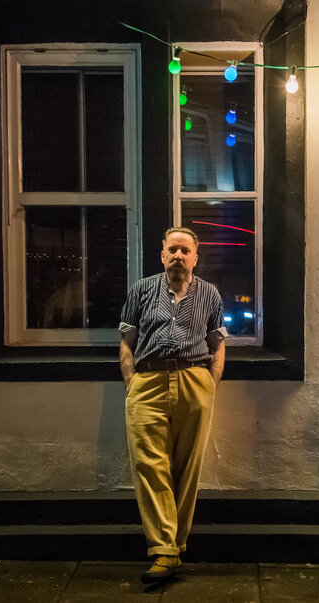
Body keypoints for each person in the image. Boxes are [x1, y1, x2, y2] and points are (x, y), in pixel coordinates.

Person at [119, 227, 227, 585]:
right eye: (173, 250)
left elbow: (218, 341)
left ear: (196, 257)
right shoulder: (141, 291)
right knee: (150, 467)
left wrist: (210, 382)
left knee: (187, 467)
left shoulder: (209, 294)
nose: (179, 256)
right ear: (162, 255)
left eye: (185, 251)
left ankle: (173, 549)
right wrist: (131, 381)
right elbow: (127, 341)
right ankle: (164, 549)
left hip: (194, 380)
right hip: (147, 382)